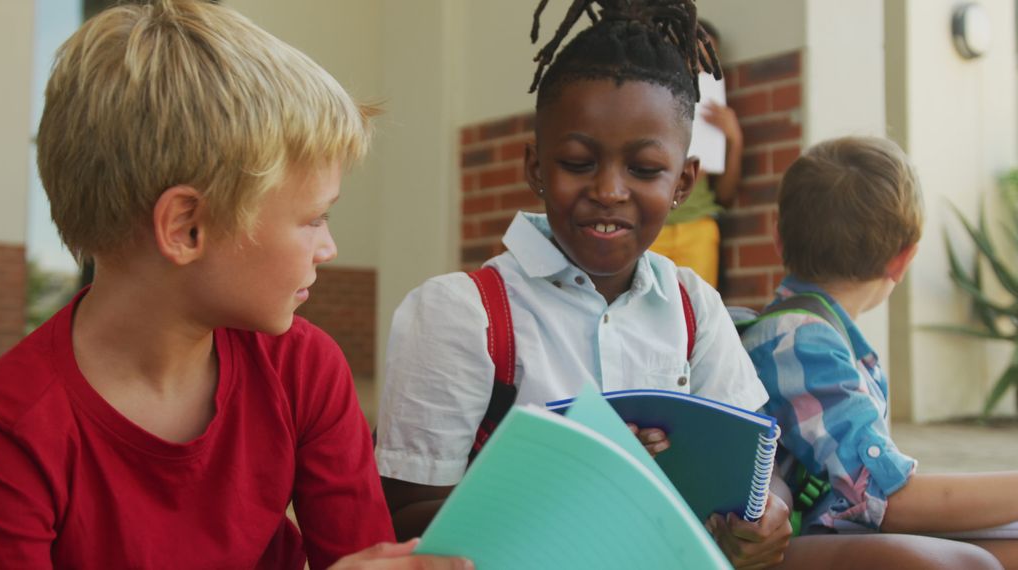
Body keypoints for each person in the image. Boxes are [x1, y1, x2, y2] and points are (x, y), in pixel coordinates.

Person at [0, 2, 470, 569]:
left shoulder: (305, 369)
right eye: (314, 218)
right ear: (186, 227)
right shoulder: (3, 432)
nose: (328, 248)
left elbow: (366, 556)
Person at [375, 2, 794, 567]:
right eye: (577, 161)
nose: (610, 190)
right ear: (535, 167)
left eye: (644, 171)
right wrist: (575, 483)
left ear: (683, 181)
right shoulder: (463, 315)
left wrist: (768, 515)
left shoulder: (694, 307)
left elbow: (759, 474)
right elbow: (405, 515)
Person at [740, 136, 1018, 568]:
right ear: (903, 260)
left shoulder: (819, 337)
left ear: (777, 236)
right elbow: (889, 500)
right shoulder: (801, 341)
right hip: (789, 546)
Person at [647, 19, 743, 288]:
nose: (700, 63)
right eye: (693, 53)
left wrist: (734, 140)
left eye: (709, 57)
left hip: (698, 227)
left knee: (697, 312)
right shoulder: (646, 102)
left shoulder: (716, 112)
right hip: (652, 225)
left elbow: (725, 195)